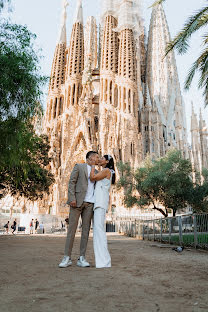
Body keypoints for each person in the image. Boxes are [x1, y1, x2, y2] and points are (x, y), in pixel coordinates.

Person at [59, 151, 99, 268]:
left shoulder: (96, 172)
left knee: (86, 231)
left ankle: (82, 257)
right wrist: (72, 198)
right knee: (72, 230)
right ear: (90, 158)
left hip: (90, 204)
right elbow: (71, 182)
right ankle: (67, 257)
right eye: (96, 157)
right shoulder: (79, 167)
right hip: (76, 202)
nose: (98, 159)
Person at [90, 155, 115, 268]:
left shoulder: (106, 171)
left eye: (101, 158)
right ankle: (102, 261)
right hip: (100, 203)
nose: (99, 160)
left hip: (100, 204)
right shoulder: (106, 171)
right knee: (98, 232)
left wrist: (92, 165)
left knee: (99, 232)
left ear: (107, 161)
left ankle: (104, 261)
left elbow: (92, 178)